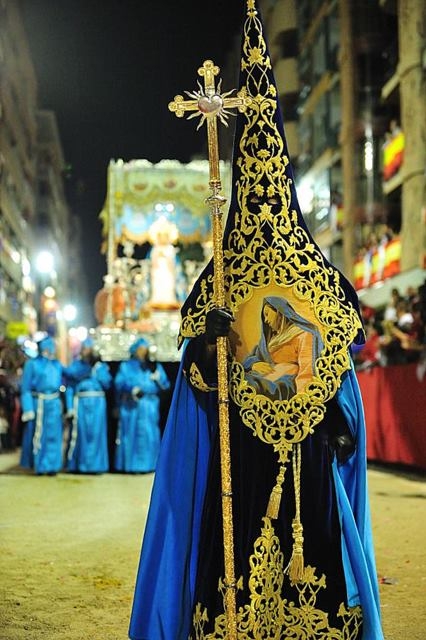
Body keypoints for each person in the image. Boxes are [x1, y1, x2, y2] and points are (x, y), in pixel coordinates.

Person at [128, 2, 383, 639]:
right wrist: (207, 351)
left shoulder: (322, 282)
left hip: (309, 460)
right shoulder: (216, 282)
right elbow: (196, 391)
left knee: (311, 577)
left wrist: (334, 421)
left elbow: (341, 383)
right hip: (238, 458)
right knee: (234, 573)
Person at [114, 337, 170, 473]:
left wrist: (158, 378)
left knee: (149, 434)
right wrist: (131, 389)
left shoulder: (154, 367)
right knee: (130, 435)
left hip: (149, 406)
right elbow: (119, 382)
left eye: (145, 350)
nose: (143, 353)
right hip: (132, 406)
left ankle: (149, 465)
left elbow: (166, 385)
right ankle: (131, 466)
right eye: (140, 350)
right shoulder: (126, 366)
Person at [63, 337, 112, 473]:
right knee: (81, 434)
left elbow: (107, 384)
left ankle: (96, 466)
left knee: (97, 433)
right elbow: (70, 387)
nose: (87, 352)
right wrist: (70, 408)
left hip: (98, 403)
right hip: (81, 403)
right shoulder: (75, 366)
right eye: (85, 349)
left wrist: (98, 372)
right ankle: (80, 465)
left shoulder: (100, 367)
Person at [19, 336, 64, 475]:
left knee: (54, 435)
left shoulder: (57, 364)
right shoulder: (32, 364)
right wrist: (28, 409)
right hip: (39, 403)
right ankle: (40, 465)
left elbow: (71, 375)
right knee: (39, 435)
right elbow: (25, 388)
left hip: (54, 403)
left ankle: (53, 466)